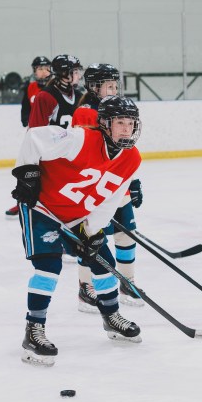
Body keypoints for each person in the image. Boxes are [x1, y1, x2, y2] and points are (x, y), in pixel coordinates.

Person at [11, 95, 144, 366]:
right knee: (48, 267)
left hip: (76, 216)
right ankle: (34, 329)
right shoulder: (80, 139)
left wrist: (93, 231)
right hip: (43, 207)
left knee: (103, 261)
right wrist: (28, 174)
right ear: (105, 124)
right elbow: (35, 137)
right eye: (120, 123)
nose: (126, 129)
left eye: (131, 123)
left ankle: (111, 316)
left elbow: (109, 197)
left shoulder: (131, 158)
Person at [72, 64, 146, 311]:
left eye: (116, 86)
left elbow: (125, 150)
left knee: (127, 233)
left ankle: (127, 281)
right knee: (91, 238)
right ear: (94, 86)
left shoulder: (120, 110)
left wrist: (133, 181)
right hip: (94, 188)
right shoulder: (84, 113)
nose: (114, 90)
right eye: (109, 86)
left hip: (117, 186)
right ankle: (86, 287)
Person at [5, 56, 52, 219]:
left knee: (51, 170)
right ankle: (22, 201)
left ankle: (49, 202)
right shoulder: (30, 87)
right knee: (26, 167)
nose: (44, 71)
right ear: (34, 71)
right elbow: (25, 106)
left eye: (46, 68)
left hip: (52, 136)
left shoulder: (55, 88)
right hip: (33, 135)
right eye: (40, 69)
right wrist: (26, 120)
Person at [27, 54, 84, 128]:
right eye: (76, 72)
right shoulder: (45, 97)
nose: (79, 77)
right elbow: (36, 132)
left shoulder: (79, 96)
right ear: (63, 73)